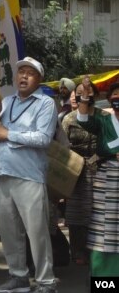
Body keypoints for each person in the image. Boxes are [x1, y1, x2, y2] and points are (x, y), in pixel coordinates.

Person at [0, 57, 58, 293]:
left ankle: (46, 281)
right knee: (10, 232)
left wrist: (8, 134)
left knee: (36, 232)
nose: (23, 76)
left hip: (29, 176)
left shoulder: (46, 103)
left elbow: (43, 138)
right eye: (21, 72)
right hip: (4, 172)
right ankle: (18, 276)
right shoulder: (6, 101)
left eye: (30, 73)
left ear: (38, 79)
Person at [76, 77, 119, 277]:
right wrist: (84, 96)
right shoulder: (103, 120)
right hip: (107, 177)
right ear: (109, 99)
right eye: (115, 96)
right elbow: (83, 119)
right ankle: (105, 280)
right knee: (104, 228)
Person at [62, 81, 97, 266]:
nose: (83, 95)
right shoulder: (69, 119)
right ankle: (77, 252)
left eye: (87, 92)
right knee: (75, 215)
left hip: (99, 171)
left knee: (96, 214)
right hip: (74, 172)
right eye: (79, 92)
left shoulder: (102, 118)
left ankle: (95, 252)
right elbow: (61, 146)